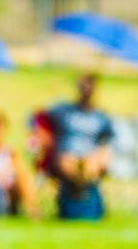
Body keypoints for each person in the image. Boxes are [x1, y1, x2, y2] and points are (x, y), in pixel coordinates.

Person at [47, 72, 115, 219]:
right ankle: (84, 199)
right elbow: (38, 119)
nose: (86, 90)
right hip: (67, 157)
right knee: (69, 161)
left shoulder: (101, 117)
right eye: (82, 86)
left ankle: (79, 198)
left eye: (89, 86)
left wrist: (97, 157)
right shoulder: (64, 111)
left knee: (92, 162)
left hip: (90, 160)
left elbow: (107, 143)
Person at [0, 112, 39, 221]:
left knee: (23, 177)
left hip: (7, 194)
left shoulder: (10, 153)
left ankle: (33, 212)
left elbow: (22, 173)